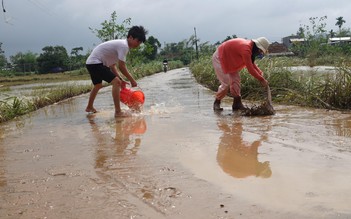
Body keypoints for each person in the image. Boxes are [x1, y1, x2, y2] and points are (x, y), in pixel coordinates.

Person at [85, 25, 147, 117]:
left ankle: (89, 107)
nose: (138, 44)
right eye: (138, 41)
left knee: (98, 85)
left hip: (91, 63)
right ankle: (118, 112)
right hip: (95, 63)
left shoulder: (122, 45)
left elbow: (112, 65)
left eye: (140, 42)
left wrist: (121, 79)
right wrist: (132, 80)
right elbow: (121, 66)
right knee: (116, 82)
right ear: (130, 37)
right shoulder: (124, 46)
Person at [212, 37, 270, 111]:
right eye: (260, 50)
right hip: (220, 57)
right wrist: (261, 79)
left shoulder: (251, 48)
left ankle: (237, 103)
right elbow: (250, 69)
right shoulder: (246, 49)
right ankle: (217, 102)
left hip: (230, 59)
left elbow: (252, 64)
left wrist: (260, 73)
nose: (260, 52)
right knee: (226, 83)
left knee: (236, 80)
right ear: (257, 46)